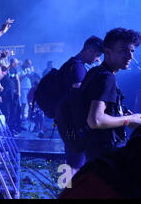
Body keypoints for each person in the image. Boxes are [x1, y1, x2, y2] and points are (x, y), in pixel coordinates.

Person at [83, 28, 141, 162]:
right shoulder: (106, 78)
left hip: (94, 154)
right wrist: (129, 120)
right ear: (107, 52)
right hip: (104, 156)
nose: (130, 56)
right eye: (123, 50)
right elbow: (95, 120)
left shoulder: (95, 73)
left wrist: (122, 116)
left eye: (132, 51)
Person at [57, 36, 104, 175]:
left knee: (70, 158)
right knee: (75, 162)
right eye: (96, 55)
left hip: (67, 119)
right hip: (74, 122)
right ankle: (69, 191)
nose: (97, 59)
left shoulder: (72, 63)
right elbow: (79, 90)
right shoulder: (77, 67)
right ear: (89, 50)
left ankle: (65, 189)